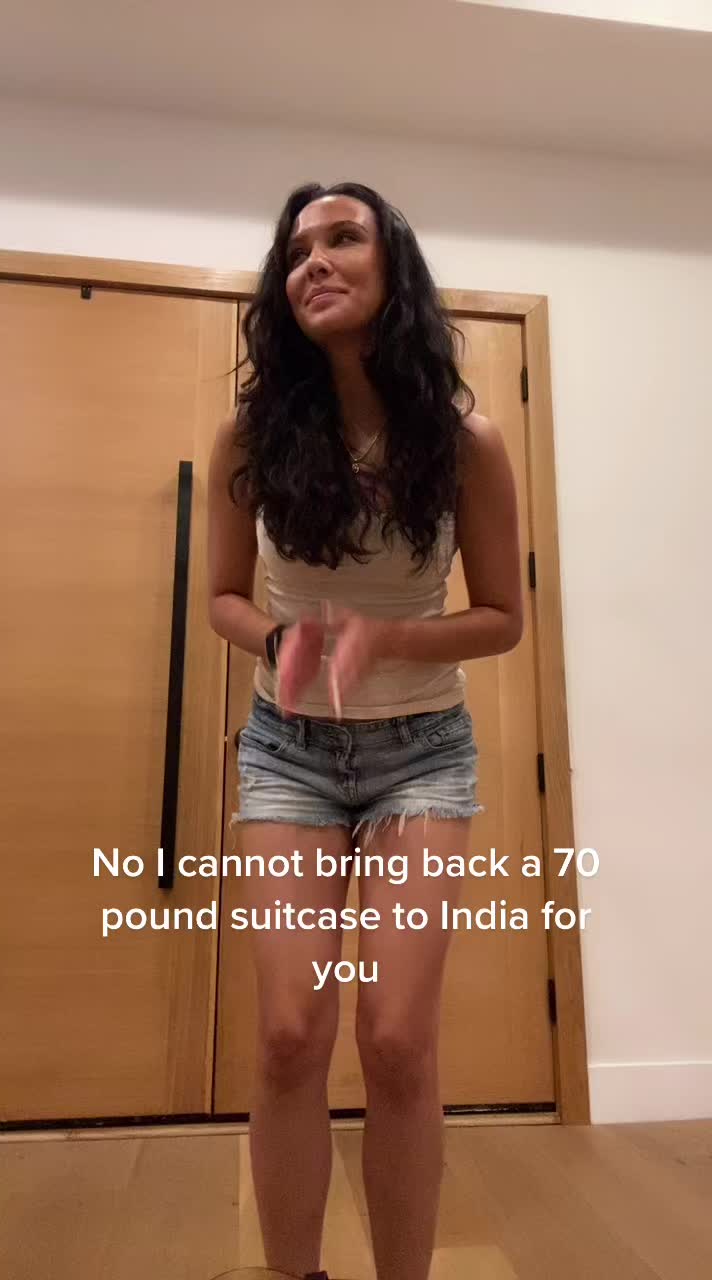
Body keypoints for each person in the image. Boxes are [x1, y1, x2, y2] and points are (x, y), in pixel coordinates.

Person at [207, 181, 523, 1280]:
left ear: (395, 271)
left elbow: (502, 619)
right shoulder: (250, 434)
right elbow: (223, 597)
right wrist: (279, 640)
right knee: (290, 1033)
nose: (316, 262)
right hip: (287, 754)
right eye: (297, 251)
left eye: (344, 238)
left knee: (396, 1039)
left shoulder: (468, 441)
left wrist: (383, 638)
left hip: (420, 757)